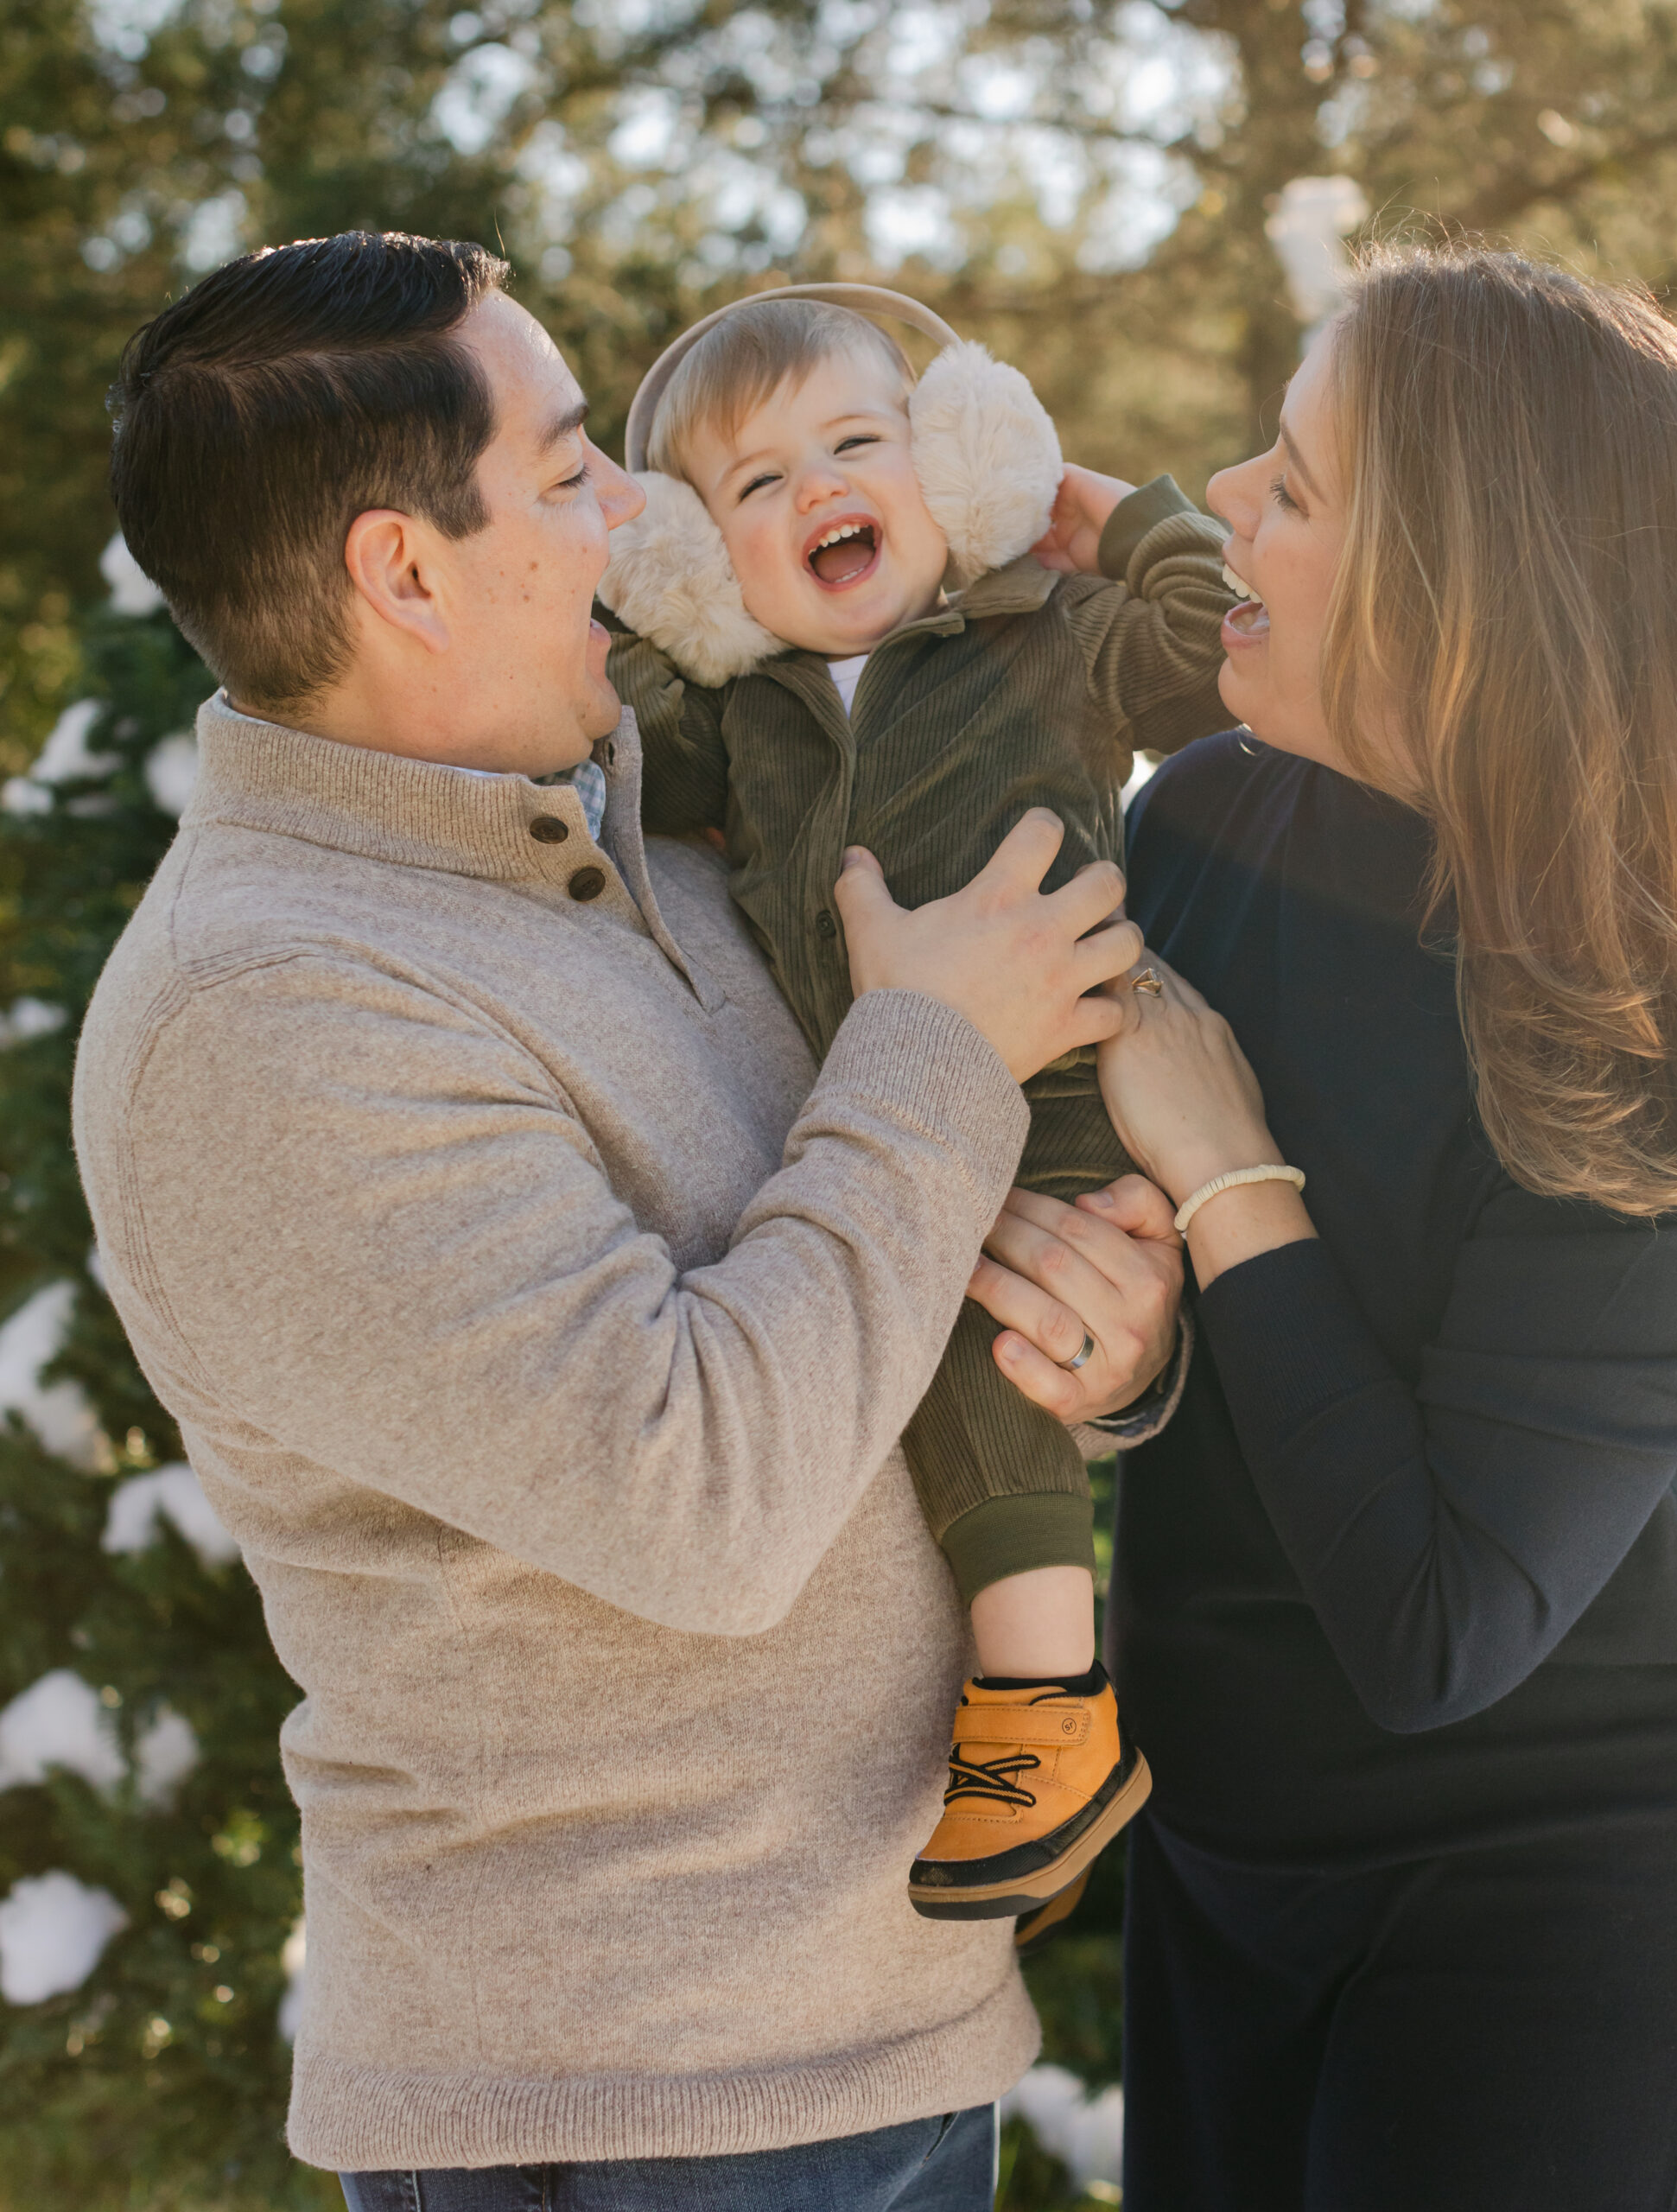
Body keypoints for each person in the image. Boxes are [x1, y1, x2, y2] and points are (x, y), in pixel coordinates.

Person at [72, 230, 1187, 2212]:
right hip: (637, 2109)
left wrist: (1087, 1338)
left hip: (855, 2039)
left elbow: (853, 1294)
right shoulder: (270, 1013)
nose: (633, 521)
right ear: (402, 573)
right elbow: (699, 1495)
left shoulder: (634, 826)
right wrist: (936, 1045)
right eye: (578, 466)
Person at [1083, 245, 1677, 2209]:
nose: (1223, 498)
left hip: (1563, 1900)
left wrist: (1230, 1180)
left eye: (1291, 486)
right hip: (1223, 1846)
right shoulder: (1198, 819)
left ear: (1460, 596)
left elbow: (1436, 1619)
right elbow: (1214, 1338)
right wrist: (1126, 1346)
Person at [598, 287, 1235, 1917]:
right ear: (704, 561)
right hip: (884, 1112)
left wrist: (1123, 522)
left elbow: (1207, 657)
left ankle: (1048, 1711)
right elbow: (613, 759)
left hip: (1064, 1096)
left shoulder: (1043, 631)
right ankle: (1036, 1705)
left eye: (858, 444)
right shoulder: (739, 721)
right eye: (753, 488)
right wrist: (632, 604)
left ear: (955, 467)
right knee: (919, 1342)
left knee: (985, 1336)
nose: (816, 489)